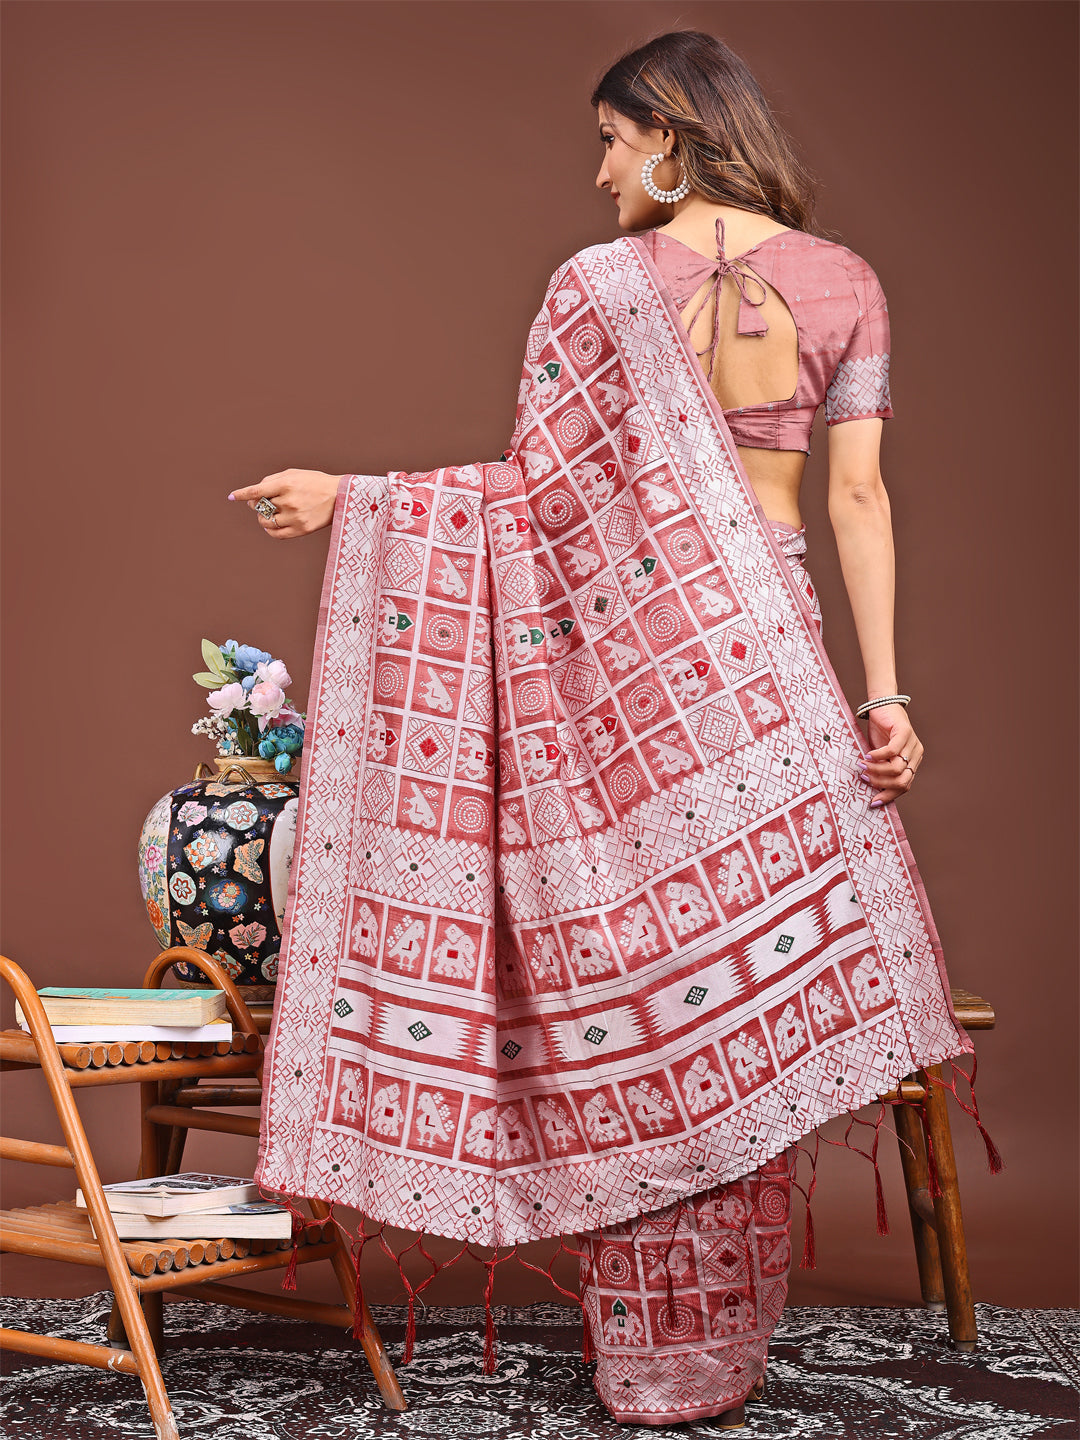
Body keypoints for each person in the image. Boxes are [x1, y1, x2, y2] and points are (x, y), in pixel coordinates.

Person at [237, 31, 975, 1430]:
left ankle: (655, 1351)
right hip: (765, 671)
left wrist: (361, 500)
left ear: (673, 139)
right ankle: (711, 1351)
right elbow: (857, 501)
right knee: (735, 1004)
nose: (598, 175)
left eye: (611, 143)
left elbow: (538, 503)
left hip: (630, 677)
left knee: (640, 987)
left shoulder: (598, 286)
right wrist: (884, 699)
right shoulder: (847, 282)